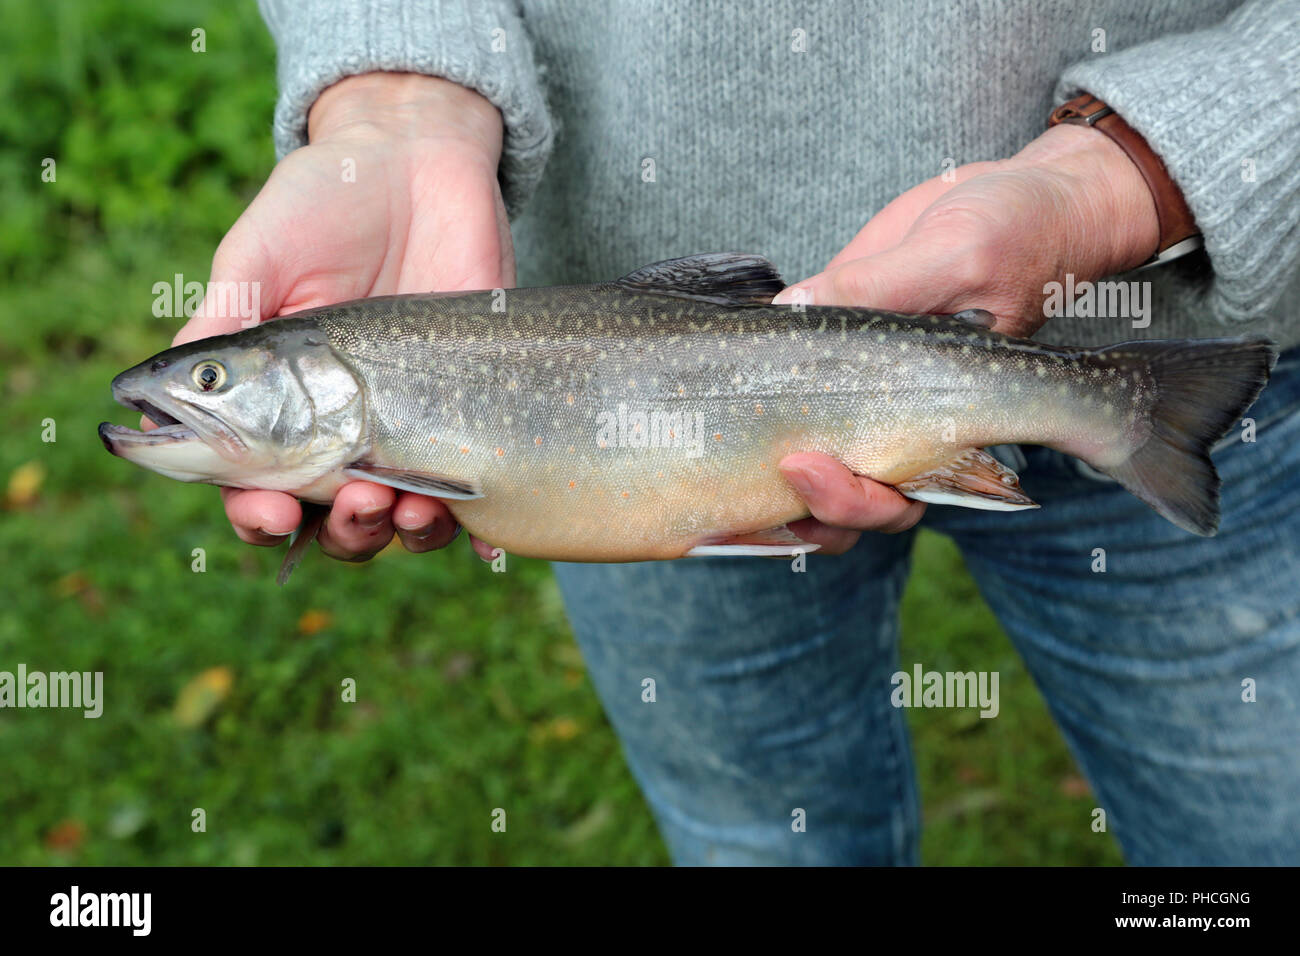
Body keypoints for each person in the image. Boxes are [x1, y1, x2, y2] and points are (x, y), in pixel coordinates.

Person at [171, 1, 1300, 864]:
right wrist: (393, 94)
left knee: (1253, 842)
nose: (183, 393)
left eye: (214, 375)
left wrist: (1125, 184)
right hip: (614, 433)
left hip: (1168, 281)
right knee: (760, 841)